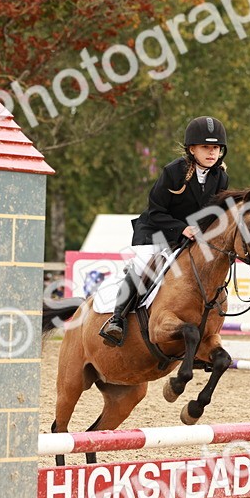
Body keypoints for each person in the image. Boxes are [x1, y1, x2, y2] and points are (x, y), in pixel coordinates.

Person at [99, 116, 230, 346]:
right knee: (144, 263)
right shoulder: (174, 171)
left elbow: (215, 214)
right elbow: (156, 210)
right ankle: (117, 320)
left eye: (216, 148)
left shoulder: (221, 177)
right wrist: (181, 229)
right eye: (206, 147)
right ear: (192, 149)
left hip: (193, 237)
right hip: (158, 229)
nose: (212, 153)